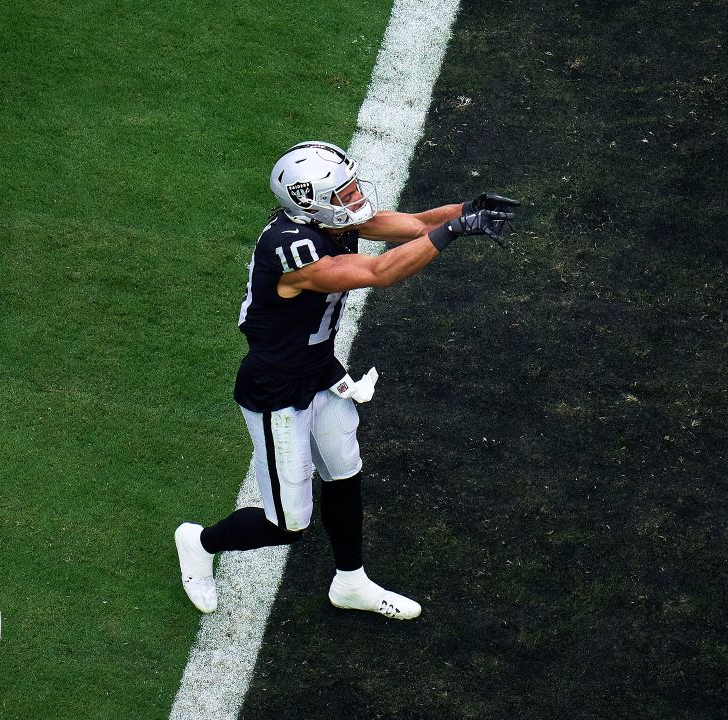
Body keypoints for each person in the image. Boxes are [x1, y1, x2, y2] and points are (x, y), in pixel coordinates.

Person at [174, 140, 517, 619]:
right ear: (308, 203)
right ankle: (199, 542)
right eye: (342, 193)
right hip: (277, 388)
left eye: (351, 187)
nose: (354, 200)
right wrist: (455, 231)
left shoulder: (329, 218)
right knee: (287, 525)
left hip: (320, 371)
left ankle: (350, 582)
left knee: (343, 475)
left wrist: (465, 210)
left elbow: (417, 224)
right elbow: (378, 271)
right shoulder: (293, 249)